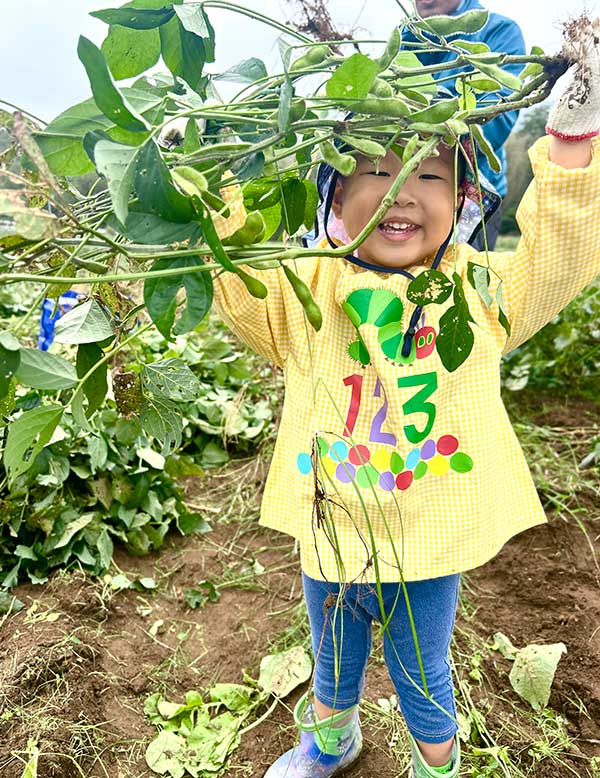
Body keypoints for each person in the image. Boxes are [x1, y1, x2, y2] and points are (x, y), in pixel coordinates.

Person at [211, 16, 600, 778]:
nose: (400, 192)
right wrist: (212, 185)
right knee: (331, 652)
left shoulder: (474, 294)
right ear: (332, 194)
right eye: (372, 169)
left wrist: (572, 146)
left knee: (422, 672)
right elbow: (238, 280)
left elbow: (556, 259)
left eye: (428, 175)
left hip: (427, 535)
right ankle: (332, 741)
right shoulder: (309, 287)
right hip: (331, 521)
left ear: (462, 199)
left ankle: (435, 765)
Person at [402, 0, 526, 249]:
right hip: (399, 190)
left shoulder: (498, 31)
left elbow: (496, 119)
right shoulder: (406, 38)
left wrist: (426, 130)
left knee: (461, 272)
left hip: (471, 198)